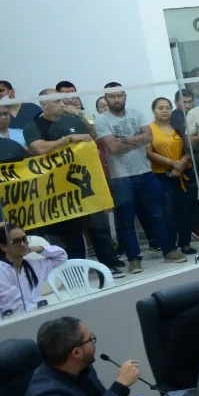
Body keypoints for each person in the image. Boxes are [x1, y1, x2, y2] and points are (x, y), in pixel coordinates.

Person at [23, 89, 125, 274]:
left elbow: (93, 136)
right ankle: (77, 270)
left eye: (63, 101)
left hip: (84, 181)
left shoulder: (73, 120)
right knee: (70, 233)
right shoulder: (33, 126)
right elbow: (38, 149)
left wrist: (80, 115)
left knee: (98, 226)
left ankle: (108, 265)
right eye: (57, 102)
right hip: (59, 189)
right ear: (45, 105)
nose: (63, 104)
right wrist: (68, 139)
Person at [97, 82, 184, 270]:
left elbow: (149, 137)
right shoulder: (102, 120)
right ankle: (134, 258)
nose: (116, 99)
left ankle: (168, 250)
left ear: (125, 96)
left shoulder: (136, 113)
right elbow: (112, 147)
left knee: (157, 214)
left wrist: (124, 140)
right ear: (106, 98)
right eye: (111, 97)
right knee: (126, 220)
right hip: (121, 177)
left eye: (119, 95)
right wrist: (135, 139)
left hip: (145, 172)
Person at [25, 316, 141, 396]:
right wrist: (120, 385)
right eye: (90, 339)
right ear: (76, 353)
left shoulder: (83, 368)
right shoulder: (43, 395)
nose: (93, 342)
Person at [0, 224, 66, 319]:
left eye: (24, 239)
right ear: (3, 247)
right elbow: (15, 308)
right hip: (9, 322)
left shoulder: (32, 264)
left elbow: (61, 256)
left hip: (37, 314)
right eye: (16, 241)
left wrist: (35, 249)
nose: (23, 244)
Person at [146, 97, 198, 255]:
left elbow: (191, 149)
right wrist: (172, 163)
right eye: (160, 108)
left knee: (185, 209)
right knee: (168, 211)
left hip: (183, 172)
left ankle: (185, 244)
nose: (165, 111)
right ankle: (170, 246)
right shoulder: (149, 129)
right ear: (154, 110)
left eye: (167, 107)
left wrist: (181, 163)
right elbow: (148, 153)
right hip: (162, 175)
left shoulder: (179, 126)